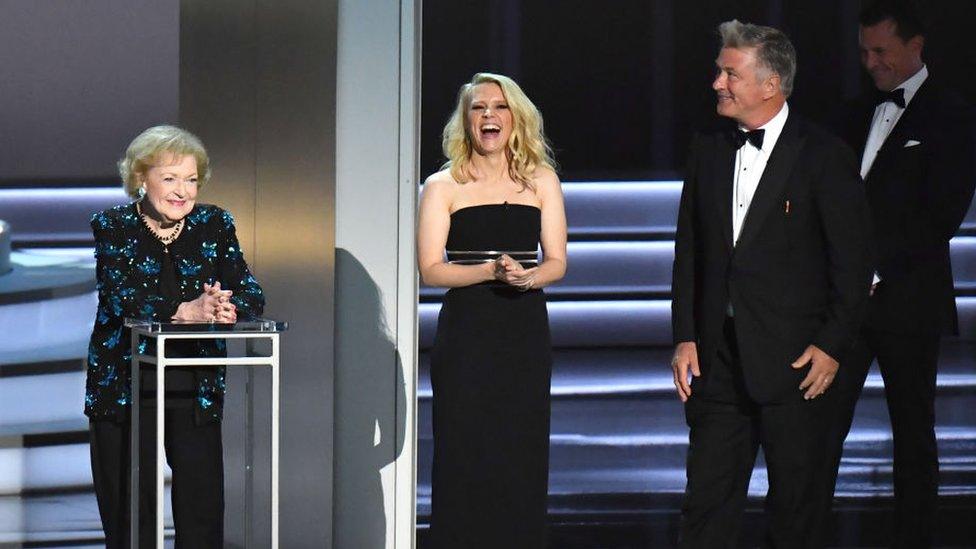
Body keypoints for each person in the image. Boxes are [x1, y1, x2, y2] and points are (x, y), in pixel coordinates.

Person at [670, 20, 872, 548]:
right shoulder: (708, 146)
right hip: (718, 363)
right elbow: (690, 249)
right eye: (719, 71)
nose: (716, 82)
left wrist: (831, 346)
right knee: (705, 509)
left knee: (796, 514)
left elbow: (853, 265)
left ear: (770, 84)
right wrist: (686, 335)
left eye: (729, 73)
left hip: (797, 365)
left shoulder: (823, 155)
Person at [828, 2, 976, 547]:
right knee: (822, 426)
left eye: (882, 51)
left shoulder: (953, 116)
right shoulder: (850, 112)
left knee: (913, 432)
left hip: (908, 299)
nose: (871, 62)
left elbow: (941, 215)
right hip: (843, 304)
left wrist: (872, 266)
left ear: (916, 47)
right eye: (865, 51)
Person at [86, 125, 265, 547]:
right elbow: (122, 298)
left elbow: (251, 289)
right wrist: (183, 311)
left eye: (191, 180)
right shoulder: (112, 225)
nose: (182, 191)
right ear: (140, 179)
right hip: (126, 386)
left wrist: (228, 306)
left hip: (193, 384)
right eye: (170, 178)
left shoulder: (214, 223)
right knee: (131, 516)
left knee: (201, 511)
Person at [417, 72, 567, 548]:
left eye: (499, 108)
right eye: (479, 108)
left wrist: (526, 277)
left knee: (519, 448)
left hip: (522, 329)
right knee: (465, 449)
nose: (488, 116)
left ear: (515, 118)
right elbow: (431, 269)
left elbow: (557, 262)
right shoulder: (443, 185)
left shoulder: (541, 179)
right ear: (466, 120)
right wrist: (488, 271)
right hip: (467, 331)